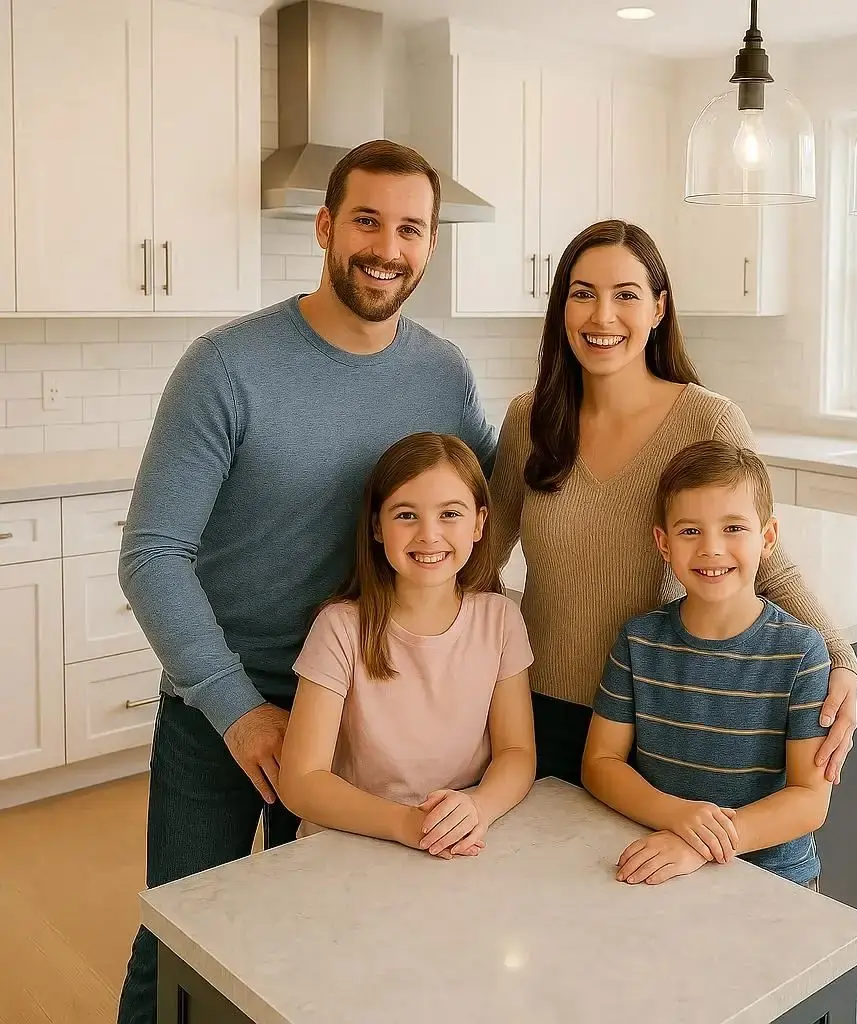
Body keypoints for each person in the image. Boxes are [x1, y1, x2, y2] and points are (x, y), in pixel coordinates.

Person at [116, 140, 496, 1024]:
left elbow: (498, 489)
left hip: (371, 708)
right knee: (182, 937)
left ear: (431, 247)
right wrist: (236, 708)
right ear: (325, 227)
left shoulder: (443, 372)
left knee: (330, 939)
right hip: (227, 708)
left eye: (410, 228)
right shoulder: (226, 366)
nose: (386, 247)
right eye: (366, 220)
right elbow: (151, 554)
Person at [487, 219, 857, 789]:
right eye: (582, 294)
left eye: (626, 295)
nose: (601, 316)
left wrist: (841, 659)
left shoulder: (707, 420)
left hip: (662, 714)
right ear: (561, 308)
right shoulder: (530, 420)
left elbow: (761, 555)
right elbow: (478, 557)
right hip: (536, 708)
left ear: (658, 309)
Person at [581, 440, 832, 888]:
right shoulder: (639, 640)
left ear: (768, 537)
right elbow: (600, 762)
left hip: (773, 881)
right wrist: (679, 817)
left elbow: (810, 800)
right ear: (664, 543)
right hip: (661, 860)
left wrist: (702, 843)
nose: (712, 549)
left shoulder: (802, 653)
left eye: (733, 527)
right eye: (690, 531)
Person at [277, 433, 536, 855]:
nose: (429, 535)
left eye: (450, 513)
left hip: (454, 841)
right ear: (378, 527)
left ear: (479, 523)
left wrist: (479, 807)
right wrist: (407, 825)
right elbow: (301, 782)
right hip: (346, 845)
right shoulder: (339, 627)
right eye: (406, 515)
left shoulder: (501, 618)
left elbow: (517, 751)